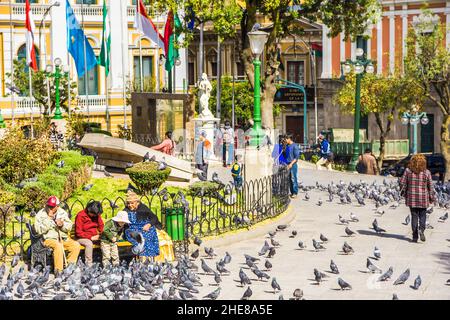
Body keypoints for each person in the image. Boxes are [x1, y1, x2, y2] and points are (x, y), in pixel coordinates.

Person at [123, 191, 174, 262]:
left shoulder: (143, 208)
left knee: (162, 238)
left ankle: (158, 260)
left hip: (146, 227)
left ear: (137, 203)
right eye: (128, 203)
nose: (130, 205)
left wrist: (149, 224)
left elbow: (154, 218)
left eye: (132, 203)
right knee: (143, 238)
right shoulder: (125, 211)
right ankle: (145, 260)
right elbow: (123, 224)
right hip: (132, 230)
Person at [34, 196, 81, 273]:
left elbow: (69, 226)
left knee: (75, 245)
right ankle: (58, 270)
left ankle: (69, 267)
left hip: (62, 238)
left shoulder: (62, 212)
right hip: (48, 239)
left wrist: (62, 225)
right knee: (58, 246)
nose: (50, 208)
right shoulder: (40, 214)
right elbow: (38, 230)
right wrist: (49, 219)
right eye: (49, 206)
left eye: (52, 206)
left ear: (57, 206)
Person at [399, 154, 436, 243]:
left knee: (414, 216)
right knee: (423, 216)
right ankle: (421, 230)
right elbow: (430, 186)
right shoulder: (427, 172)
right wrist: (432, 197)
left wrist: (403, 191)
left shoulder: (408, 171)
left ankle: (415, 236)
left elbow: (402, 183)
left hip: (412, 198)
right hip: (423, 198)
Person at [74, 200, 104, 267]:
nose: (95, 216)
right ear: (89, 210)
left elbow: (101, 226)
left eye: (96, 215)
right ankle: (89, 265)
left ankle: (105, 262)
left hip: (94, 236)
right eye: (93, 214)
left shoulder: (96, 214)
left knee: (106, 241)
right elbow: (78, 233)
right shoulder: (80, 215)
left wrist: (103, 235)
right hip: (81, 238)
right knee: (89, 243)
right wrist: (91, 237)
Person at [285, 134, 300, 198]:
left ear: (289, 139)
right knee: (289, 179)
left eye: (286, 139)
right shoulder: (287, 146)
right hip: (287, 164)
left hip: (293, 165)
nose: (285, 140)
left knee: (293, 178)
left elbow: (296, 157)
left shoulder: (295, 146)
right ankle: (291, 192)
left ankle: (295, 192)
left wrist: (291, 164)